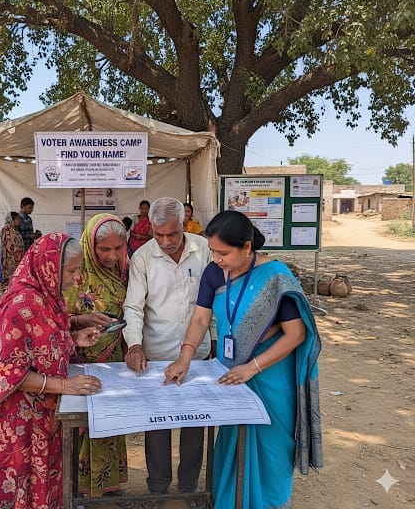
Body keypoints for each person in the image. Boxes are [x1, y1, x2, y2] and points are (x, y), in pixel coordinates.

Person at [164, 210, 323, 509]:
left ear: (247, 248)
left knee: (271, 450)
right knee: (233, 445)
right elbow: (200, 319)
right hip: (232, 375)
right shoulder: (213, 273)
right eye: (212, 251)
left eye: (224, 252)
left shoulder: (275, 277)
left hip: (271, 377)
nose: (217, 258)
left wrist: (253, 367)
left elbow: (296, 334)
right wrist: (184, 358)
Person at [0, 233, 103, 509]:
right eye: (72, 270)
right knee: (19, 487)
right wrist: (66, 386)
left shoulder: (49, 298)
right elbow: (8, 374)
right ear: (49, 266)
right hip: (18, 422)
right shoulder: (21, 305)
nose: (76, 278)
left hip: (42, 416)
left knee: (40, 489)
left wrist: (74, 339)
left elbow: (43, 343)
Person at [123, 197, 212, 500]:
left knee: (194, 424)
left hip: (198, 354)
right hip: (158, 355)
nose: (165, 241)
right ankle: (157, 488)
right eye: (158, 235)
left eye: (172, 234)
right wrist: (134, 344)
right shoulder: (143, 258)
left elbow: (214, 303)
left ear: (184, 225)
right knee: (156, 425)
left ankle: (189, 486)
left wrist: (213, 343)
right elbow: (133, 307)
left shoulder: (204, 250)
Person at [64, 213, 130, 500]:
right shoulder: (73, 273)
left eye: (118, 248)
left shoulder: (126, 270)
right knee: (82, 423)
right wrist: (83, 321)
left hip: (114, 357)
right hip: (81, 361)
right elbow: (58, 319)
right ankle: (77, 490)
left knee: (112, 418)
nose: (112, 256)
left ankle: (108, 485)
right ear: (90, 245)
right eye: (104, 249)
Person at [0, 211, 25, 290]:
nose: (19, 221)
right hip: (10, 260)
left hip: (17, 259)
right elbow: (9, 246)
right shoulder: (6, 230)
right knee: (11, 280)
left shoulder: (15, 230)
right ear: (11, 220)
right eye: (17, 219)